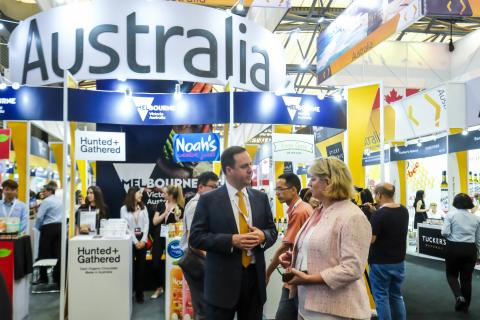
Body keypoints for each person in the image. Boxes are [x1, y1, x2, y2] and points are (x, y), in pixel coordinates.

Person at [189, 146, 278, 320]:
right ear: (229, 170)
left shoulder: (260, 198)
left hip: (254, 280)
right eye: (245, 166)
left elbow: (272, 231)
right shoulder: (209, 200)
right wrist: (231, 240)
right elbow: (196, 237)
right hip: (222, 282)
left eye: (250, 164)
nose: (251, 169)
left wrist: (263, 236)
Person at [279, 157, 372, 320]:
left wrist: (309, 279)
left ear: (328, 182)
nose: (308, 184)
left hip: (335, 310)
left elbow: (352, 268)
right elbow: (322, 250)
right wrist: (295, 258)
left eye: (313, 179)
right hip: (307, 305)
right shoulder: (319, 211)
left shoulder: (352, 216)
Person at [266, 173, 312, 320]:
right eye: (276, 189)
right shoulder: (301, 208)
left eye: (281, 189)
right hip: (299, 273)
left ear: (293, 190)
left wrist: (267, 273)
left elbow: (285, 247)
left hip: (299, 275)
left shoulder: (299, 211)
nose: (278, 193)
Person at [179, 171, 219, 320]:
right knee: (203, 306)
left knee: (204, 304)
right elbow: (194, 241)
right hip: (196, 259)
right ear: (201, 187)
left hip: (199, 259)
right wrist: (211, 262)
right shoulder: (196, 205)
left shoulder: (203, 204)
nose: (216, 190)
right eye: (213, 187)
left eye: (217, 186)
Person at [367, 183, 409, 320]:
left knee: (381, 297)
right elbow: (390, 221)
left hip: (380, 263)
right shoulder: (403, 210)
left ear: (379, 195)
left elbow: (371, 240)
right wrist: (375, 212)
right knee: (396, 295)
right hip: (399, 261)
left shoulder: (379, 215)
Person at [441, 193, 480, 313]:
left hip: (454, 248)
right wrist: (478, 254)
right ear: (469, 203)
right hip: (470, 249)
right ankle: (465, 307)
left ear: (455, 202)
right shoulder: (476, 218)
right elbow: (478, 239)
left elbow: (445, 232)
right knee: (466, 279)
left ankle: (459, 296)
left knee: (451, 275)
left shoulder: (450, 215)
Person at [151, 184, 185, 299]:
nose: (163, 194)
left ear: (171, 195)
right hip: (158, 237)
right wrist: (165, 213)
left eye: (165, 193)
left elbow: (180, 226)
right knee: (155, 264)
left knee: (173, 264)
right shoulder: (161, 204)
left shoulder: (180, 207)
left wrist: (177, 219)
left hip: (172, 238)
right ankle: (159, 287)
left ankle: (173, 286)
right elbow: (155, 222)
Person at [120, 186, 149, 303]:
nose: (141, 195)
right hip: (130, 240)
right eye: (139, 193)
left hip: (142, 239)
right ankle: (128, 293)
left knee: (141, 269)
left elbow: (147, 224)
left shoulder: (143, 207)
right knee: (130, 268)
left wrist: (143, 239)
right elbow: (125, 226)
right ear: (133, 194)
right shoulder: (123, 209)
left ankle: (139, 294)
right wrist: (135, 241)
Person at [35, 184, 63, 284]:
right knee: (58, 254)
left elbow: (39, 217)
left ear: (50, 191)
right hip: (60, 227)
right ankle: (57, 278)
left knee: (43, 252)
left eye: (44, 191)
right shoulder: (60, 200)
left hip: (48, 228)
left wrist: (37, 228)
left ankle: (43, 278)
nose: (43, 193)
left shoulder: (46, 201)